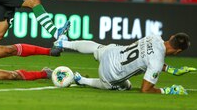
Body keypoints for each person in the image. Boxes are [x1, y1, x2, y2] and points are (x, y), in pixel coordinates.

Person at [54, 33, 196, 94]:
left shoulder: (154, 37)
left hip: (111, 52)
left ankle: (64, 43)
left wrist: (171, 70)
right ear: (177, 51)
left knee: (97, 47)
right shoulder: (157, 61)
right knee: (124, 86)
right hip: (110, 73)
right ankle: (83, 80)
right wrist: (167, 91)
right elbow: (145, 90)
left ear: (171, 37)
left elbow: (146, 57)